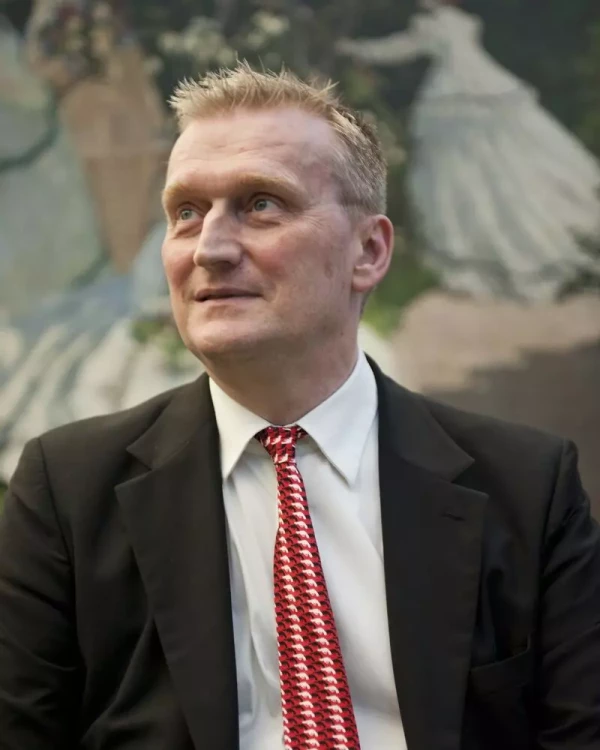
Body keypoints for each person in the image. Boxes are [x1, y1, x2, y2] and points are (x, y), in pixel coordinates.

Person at [0, 62, 599, 750]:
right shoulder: (69, 490)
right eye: (186, 213)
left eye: (260, 204)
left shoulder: (527, 486)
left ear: (368, 251)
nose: (210, 248)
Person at [337, 0, 600, 301]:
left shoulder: (431, 24)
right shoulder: (465, 20)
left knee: (465, 165)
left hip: (457, 87)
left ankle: (491, 242)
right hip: (486, 80)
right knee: (492, 161)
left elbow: (397, 49)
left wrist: (352, 48)